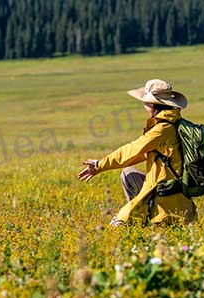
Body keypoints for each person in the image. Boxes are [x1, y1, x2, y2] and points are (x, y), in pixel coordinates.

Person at [78, 79, 197, 226]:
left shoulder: (162, 130)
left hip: (166, 200)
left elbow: (131, 150)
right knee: (128, 174)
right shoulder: (174, 124)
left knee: (116, 226)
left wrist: (99, 164)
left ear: (152, 104)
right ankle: (141, 216)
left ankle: (143, 219)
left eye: (145, 102)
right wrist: (100, 166)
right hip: (176, 196)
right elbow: (142, 153)